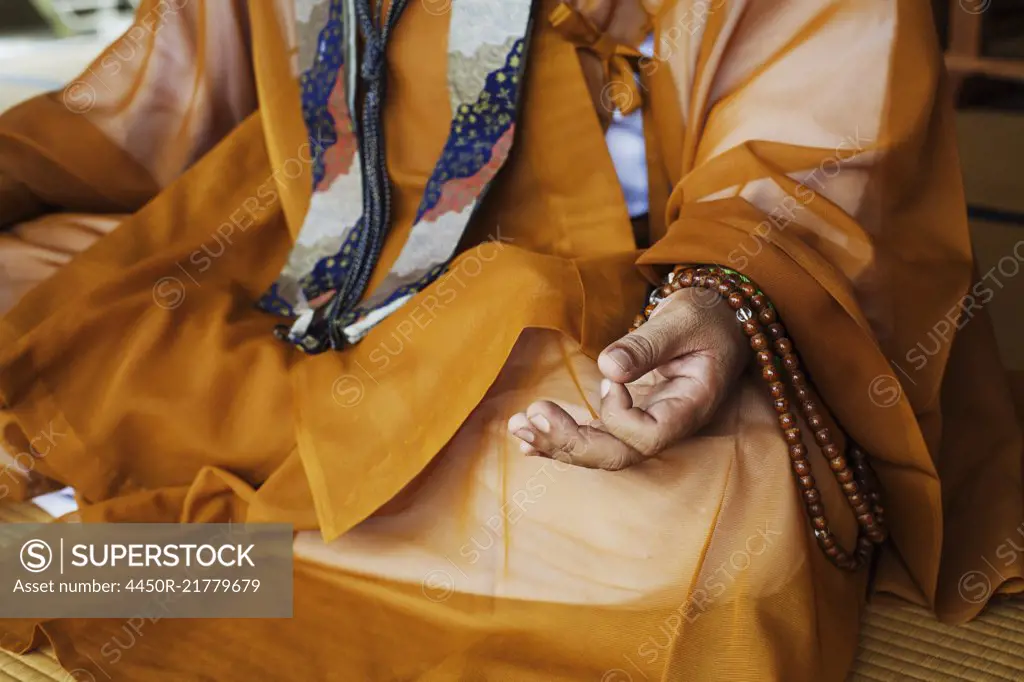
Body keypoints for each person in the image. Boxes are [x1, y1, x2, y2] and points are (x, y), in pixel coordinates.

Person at [0, 0, 1021, 679]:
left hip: (628, 296)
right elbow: (175, 94)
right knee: (35, 285)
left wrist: (719, 301)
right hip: (297, 253)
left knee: (701, 552)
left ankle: (89, 563)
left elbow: (822, 139)